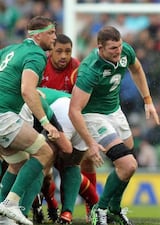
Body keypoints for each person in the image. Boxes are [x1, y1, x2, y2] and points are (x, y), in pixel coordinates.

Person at [69, 25, 160, 225]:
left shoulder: (125, 51)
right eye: (112, 48)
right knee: (128, 164)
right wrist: (90, 142)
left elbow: (137, 68)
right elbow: (74, 110)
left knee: (127, 166)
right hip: (94, 116)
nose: (118, 51)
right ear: (100, 47)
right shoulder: (90, 69)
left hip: (115, 112)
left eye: (119, 46)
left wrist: (148, 100)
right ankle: (99, 209)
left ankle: (115, 209)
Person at [0, 16, 59, 225]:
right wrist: (45, 122)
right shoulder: (36, 54)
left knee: (18, 162)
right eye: (51, 32)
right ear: (38, 35)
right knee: (45, 152)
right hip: (3, 115)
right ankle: (10, 203)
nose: (55, 37)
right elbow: (26, 90)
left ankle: (3, 217)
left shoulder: (9, 50)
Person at [35, 33, 98, 224]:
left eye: (68, 52)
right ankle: (55, 205)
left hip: (68, 121)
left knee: (66, 164)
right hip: (43, 120)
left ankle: (90, 207)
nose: (64, 56)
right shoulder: (39, 66)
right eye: (59, 51)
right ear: (50, 52)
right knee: (50, 168)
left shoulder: (76, 68)